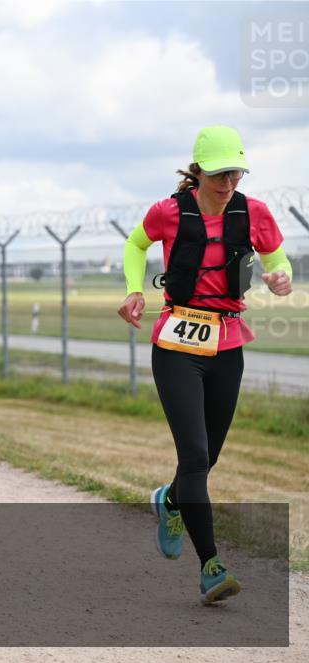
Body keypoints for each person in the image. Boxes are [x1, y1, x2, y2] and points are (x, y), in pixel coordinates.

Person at [118, 125, 293, 605]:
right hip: (176, 345)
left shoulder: (254, 212)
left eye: (235, 172)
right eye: (219, 174)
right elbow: (136, 244)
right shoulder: (168, 212)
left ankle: (171, 499)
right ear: (197, 171)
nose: (228, 182)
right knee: (194, 456)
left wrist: (281, 278)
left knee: (207, 458)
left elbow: (280, 260)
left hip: (227, 344)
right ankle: (211, 567)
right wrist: (134, 289)